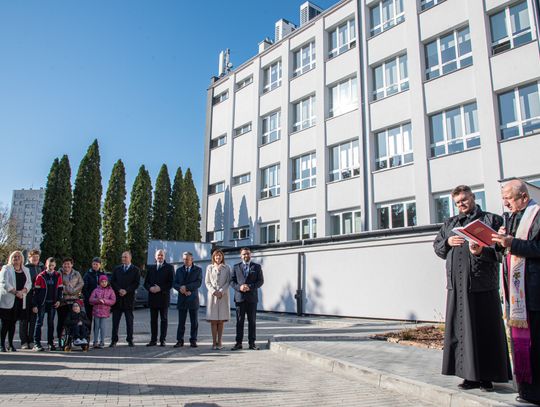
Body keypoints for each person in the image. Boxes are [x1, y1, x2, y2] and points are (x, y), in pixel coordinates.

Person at [433, 185, 511, 391]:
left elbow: (501, 251)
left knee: (484, 330)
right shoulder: (450, 223)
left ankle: (487, 377)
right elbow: (438, 248)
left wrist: (480, 251)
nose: (462, 204)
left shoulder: (491, 220)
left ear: (473, 198)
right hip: (456, 287)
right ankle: (468, 376)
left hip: (482, 285)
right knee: (461, 333)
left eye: (465, 200)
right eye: (458, 202)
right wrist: (448, 241)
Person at [492, 179, 540, 404]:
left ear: (523, 197)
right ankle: (526, 390)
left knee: (536, 345)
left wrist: (512, 243)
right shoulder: (510, 218)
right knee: (520, 343)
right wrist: (500, 243)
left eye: (508, 198)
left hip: (534, 293)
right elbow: (506, 254)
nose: (505, 203)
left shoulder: (537, 214)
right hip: (515, 293)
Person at [230, 247, 264, 351]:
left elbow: (260, 281)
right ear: (241, 255)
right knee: (239, 321)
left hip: (252, 298)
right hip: (240, 298)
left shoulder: (257, 267)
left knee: (252, 321)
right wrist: (239, 287)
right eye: (244, 254)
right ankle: (238, 343)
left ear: (251, 255)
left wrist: (249, 286)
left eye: (248, 254)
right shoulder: (236, 267)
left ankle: (252, 343)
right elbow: (232, 281)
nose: (246, 256)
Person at [0, 251, 32, 352]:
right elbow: (4, 282)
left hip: (20, 300)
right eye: (14, 256)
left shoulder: (26, 270)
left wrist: (23, 291)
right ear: (11, 258)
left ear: (22, 259)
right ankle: (1, 344)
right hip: (8, 299)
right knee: (5, 323)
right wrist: (15, 292)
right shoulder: (6, 268)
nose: (17, 258)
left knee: (13, 323)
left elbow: (29, 283)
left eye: (19, 256)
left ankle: (10, 344)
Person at [110, 251, 140, 347]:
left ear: (130, 258)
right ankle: (114, 340)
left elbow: (136, 283)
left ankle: (130, 340)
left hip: (129, 299)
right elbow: (112, 281)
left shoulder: (136, 270)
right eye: (122, 257)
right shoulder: (117, 269)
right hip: (117, 299)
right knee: (115, 322)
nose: (123, 259)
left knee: (129, 321)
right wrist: (119, 289)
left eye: (125, 257)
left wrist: (126, 290)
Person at [32, 257, 63, 351]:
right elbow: (35, 292)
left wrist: (58, 300)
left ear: (55, 265)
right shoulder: (40, 276)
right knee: (39, 323)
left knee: (51, 324)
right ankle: (37, 343)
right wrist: (34, 305)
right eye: (49, 265)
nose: (51, 267)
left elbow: (60, 290)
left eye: (53, 265)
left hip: (52, 303)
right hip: (42, 303)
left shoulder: (58, 276)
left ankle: (50, 343)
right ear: (46, 264)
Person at [144, 249, 174, 347]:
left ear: (164, 257)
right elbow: (146, 283)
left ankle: (162, 340)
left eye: (161, 255)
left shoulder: (169, 268)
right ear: (155, 257)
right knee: (153, 320)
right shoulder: (151, 268)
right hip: (153, 298)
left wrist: (160, 288)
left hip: (163, 298)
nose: (160, 257)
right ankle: (153, 340)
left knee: (163, 319)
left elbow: (171, 283)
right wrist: (150, 288)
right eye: (158, 255)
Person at [173, 251, 202, 348]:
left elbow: (198, 282)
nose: (185, 261)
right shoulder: (179, 270)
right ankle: (179, 340)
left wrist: (187, 287)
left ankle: (193, 340)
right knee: (181, 322)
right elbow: (175, 283)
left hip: (193, 298)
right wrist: (180, 288)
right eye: (184, 259)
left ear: (192, 260)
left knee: (194, 322)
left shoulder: (198, 270)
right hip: (182, 299)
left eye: (187, 259)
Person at [205, 249, 231, 350]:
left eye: (220, 256)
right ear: (213, 257)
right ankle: (213, 342)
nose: (218, 257)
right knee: (213, 320)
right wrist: (213, 291)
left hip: (223, 295)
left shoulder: (227, 267)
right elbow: (207, 282)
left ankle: (219, 342)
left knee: (221, 321)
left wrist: (221, 291)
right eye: (216, 256)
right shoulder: (209, 267)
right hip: (213, 296)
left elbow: (228, 281)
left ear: (222, 257)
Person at [56, 258, 83, 346]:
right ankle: (61, 340)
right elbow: (59, 286)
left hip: (74, 301)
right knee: (62, 321)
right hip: (63, 302)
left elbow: (81, 284)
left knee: (73, 320)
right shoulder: (59, 273)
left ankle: (72, 339)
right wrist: (67, 289)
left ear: (72, 265)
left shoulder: (77, 273)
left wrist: (73, 290)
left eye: (68, 264)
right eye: (65, 264)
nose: (66, 266)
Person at [19, 249, 41, 349]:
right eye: (33, 257)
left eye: (37, 257)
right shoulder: (25, 268)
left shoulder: (41, 268)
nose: (35, 258)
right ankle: (24, 341)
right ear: (29, 257)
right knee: (24, 319)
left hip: (36, 297)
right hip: (25, 297)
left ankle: (31, 340)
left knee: (33, 320)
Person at [89, 275, 116, 349]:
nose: (104, 283)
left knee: (103, 327)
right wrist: (97, 300)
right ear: (99, 282)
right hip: (96, 312)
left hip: (105, 312)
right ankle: (95, 341)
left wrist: (105, 301)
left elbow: (113, 301)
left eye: (105, 281)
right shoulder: (96, 290)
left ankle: (102, 341)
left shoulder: (110, 290)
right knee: (96, 327)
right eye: (102, 282)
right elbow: (91, 299)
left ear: (107, 282)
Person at [82, 257, 107, 331]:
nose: (95, 266)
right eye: (93, 264)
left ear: (100, 265)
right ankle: (87, 335)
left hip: (99, 302)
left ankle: (96, 337)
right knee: (88, 318)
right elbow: (84, 288)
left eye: (97, 264)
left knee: (98, 320)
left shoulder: (102, 274)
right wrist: (89, 298)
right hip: (89, 300)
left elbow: (106, 287)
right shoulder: (87, 274)